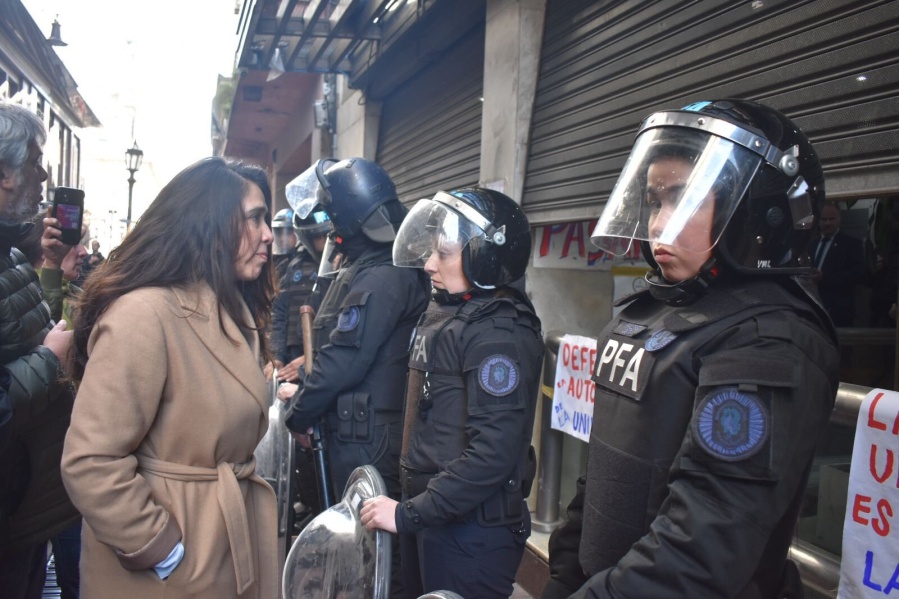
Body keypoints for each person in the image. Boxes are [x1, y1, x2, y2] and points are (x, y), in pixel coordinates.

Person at [541, 99, 840, 599]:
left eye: (684, 198)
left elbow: (702, 544)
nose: (658, 224)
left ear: (753, 214)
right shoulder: (652, 311)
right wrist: (563, 578)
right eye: (655, 201)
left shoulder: (770, 338)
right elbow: (603, 479)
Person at [60, 157, 280, 598]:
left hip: (222, 548)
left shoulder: (231, 309)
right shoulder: (143, 315)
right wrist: (161, 549)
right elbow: (91, 462)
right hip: (168, 569)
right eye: (255, 218)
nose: (269, 235)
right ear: (211, 223)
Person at [360, 187, 544, 598]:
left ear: (486, 255)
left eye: (443, 253)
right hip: (435, 520)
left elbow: (492, 454)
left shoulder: (500, 334)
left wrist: (408, 514)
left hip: (470, 535)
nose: (428, 265)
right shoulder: (452, 314)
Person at [278, 157, 430, 597]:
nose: (327, 229)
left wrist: (299, 413)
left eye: (332, 217)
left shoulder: (381, 277)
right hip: (361, 431)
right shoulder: (376, 270)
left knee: (372, 558)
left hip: (367, 439)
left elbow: (344, 359)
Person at [0, 102, 78, 599]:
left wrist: (51, 269)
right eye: (33, 159)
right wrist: (50, 360)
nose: (43, 173)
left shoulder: (10, 253)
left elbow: (21, 327)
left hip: (21, 508)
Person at [810, 202, 866, 326]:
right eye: (823, 219)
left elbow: (858, 274)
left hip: (839, 312)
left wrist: (825, 278)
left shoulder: (851, 244)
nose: (827, 223)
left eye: (831, 219)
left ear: (839, 219)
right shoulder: (811, 245)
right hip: (813, 310)